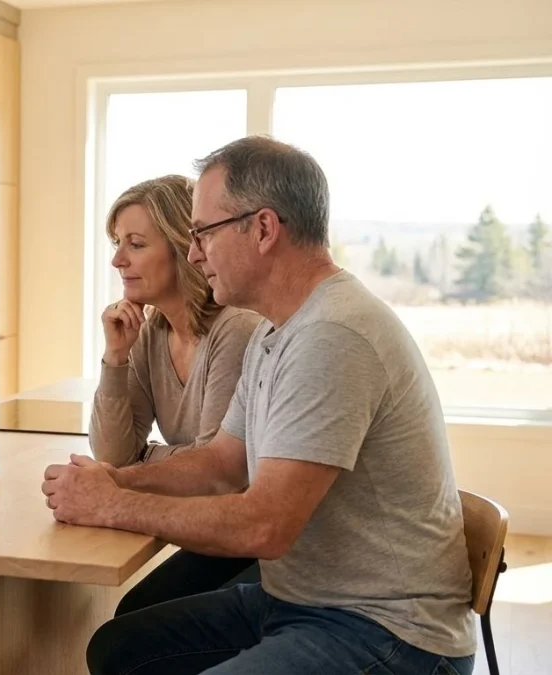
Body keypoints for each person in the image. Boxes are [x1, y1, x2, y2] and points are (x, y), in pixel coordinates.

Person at [43, 135, 476, 675]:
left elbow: (263, 527)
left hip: (386, 632)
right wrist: (112, 482)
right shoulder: (279, 331)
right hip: (300, 601)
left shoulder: (333, 335)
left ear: (264, 229)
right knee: (118, 648)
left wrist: (111, 506)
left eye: (203, 232)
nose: (194, 252)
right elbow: (223, 465)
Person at [90, 175, 261, 615]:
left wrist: (147, 460)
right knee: (132, 612)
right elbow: (114, 454)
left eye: (135, 244)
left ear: (183, 249)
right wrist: (114, 358)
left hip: (254, 541)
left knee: (133, 621)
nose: (117, 260)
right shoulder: (151, 331)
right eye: (116, 243)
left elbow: (220, 474)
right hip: (217, 529)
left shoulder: (235, 328)